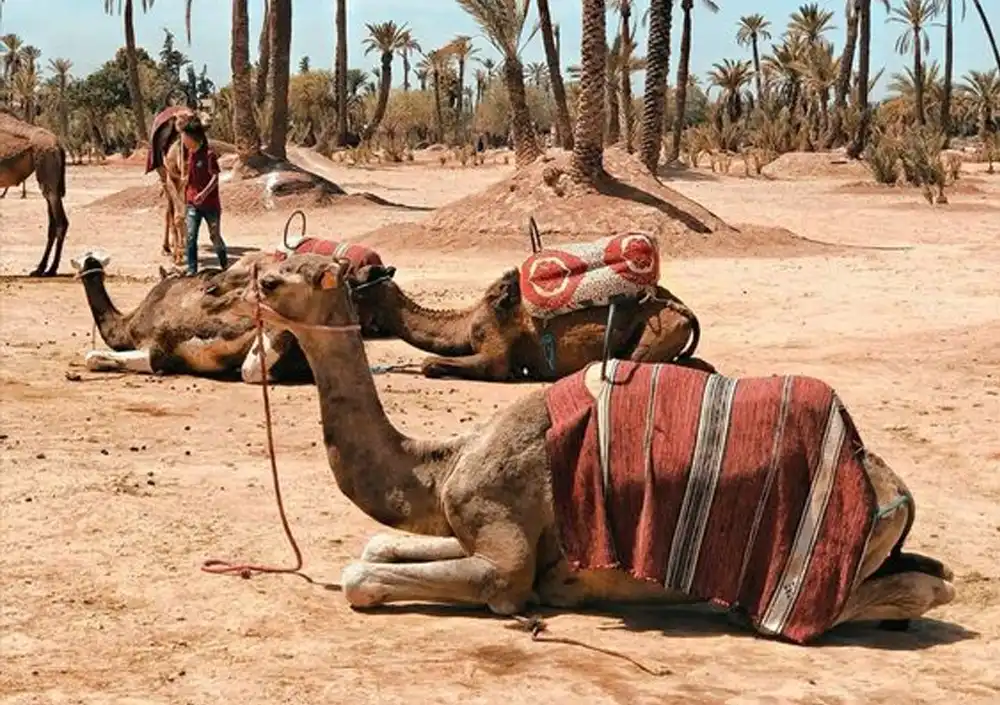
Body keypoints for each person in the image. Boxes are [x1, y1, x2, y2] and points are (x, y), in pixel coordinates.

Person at [180, 120, 227, 275]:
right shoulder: (191, 154)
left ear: (193, 137)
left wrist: (204, 193)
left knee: (215, 237)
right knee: (191, 236)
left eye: (184, 137)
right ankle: (192, 270)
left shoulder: (209, 155)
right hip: (192, 204)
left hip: (211, 205)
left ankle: (224, 266)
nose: (183, 141)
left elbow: (215, 178)